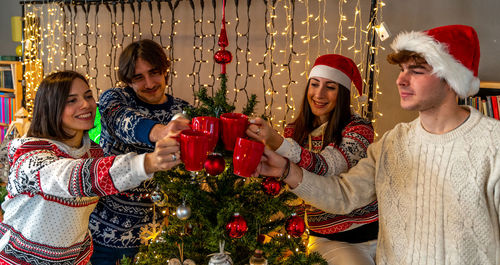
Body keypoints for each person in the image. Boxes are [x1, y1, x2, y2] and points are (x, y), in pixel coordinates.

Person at [254, 25, 500, 264]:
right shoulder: (393, 143)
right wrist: (285, 170)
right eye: (402, 70)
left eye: (416, 70)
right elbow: (342, 195)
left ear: (450, 78)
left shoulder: (493, 145)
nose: (401, 80)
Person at [0, 71, 181, 265]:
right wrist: (148, 162)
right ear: (51, 107)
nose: (86, 105)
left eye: (88, 96)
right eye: (71, 100)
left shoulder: (92, 151)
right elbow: (73, 177)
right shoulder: (30, 155)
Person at [247, 54, 378, 265]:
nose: (319, 94)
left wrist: (277, 141)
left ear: (342, 94)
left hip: (379, 235)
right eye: (314, 84)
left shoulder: (359, 128)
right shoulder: (293, 133)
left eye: (330, 87)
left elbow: (328, 166)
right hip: (332, 241)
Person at [89, 39, 191, 264]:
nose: (149, 83)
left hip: (156, 240)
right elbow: (124, 122)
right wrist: (162, 132)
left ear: (165, 70)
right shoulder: (114, 99)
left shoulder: (184, 112)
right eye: (138, 77)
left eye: (154, 73)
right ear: (128, 81)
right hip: (101, 236)